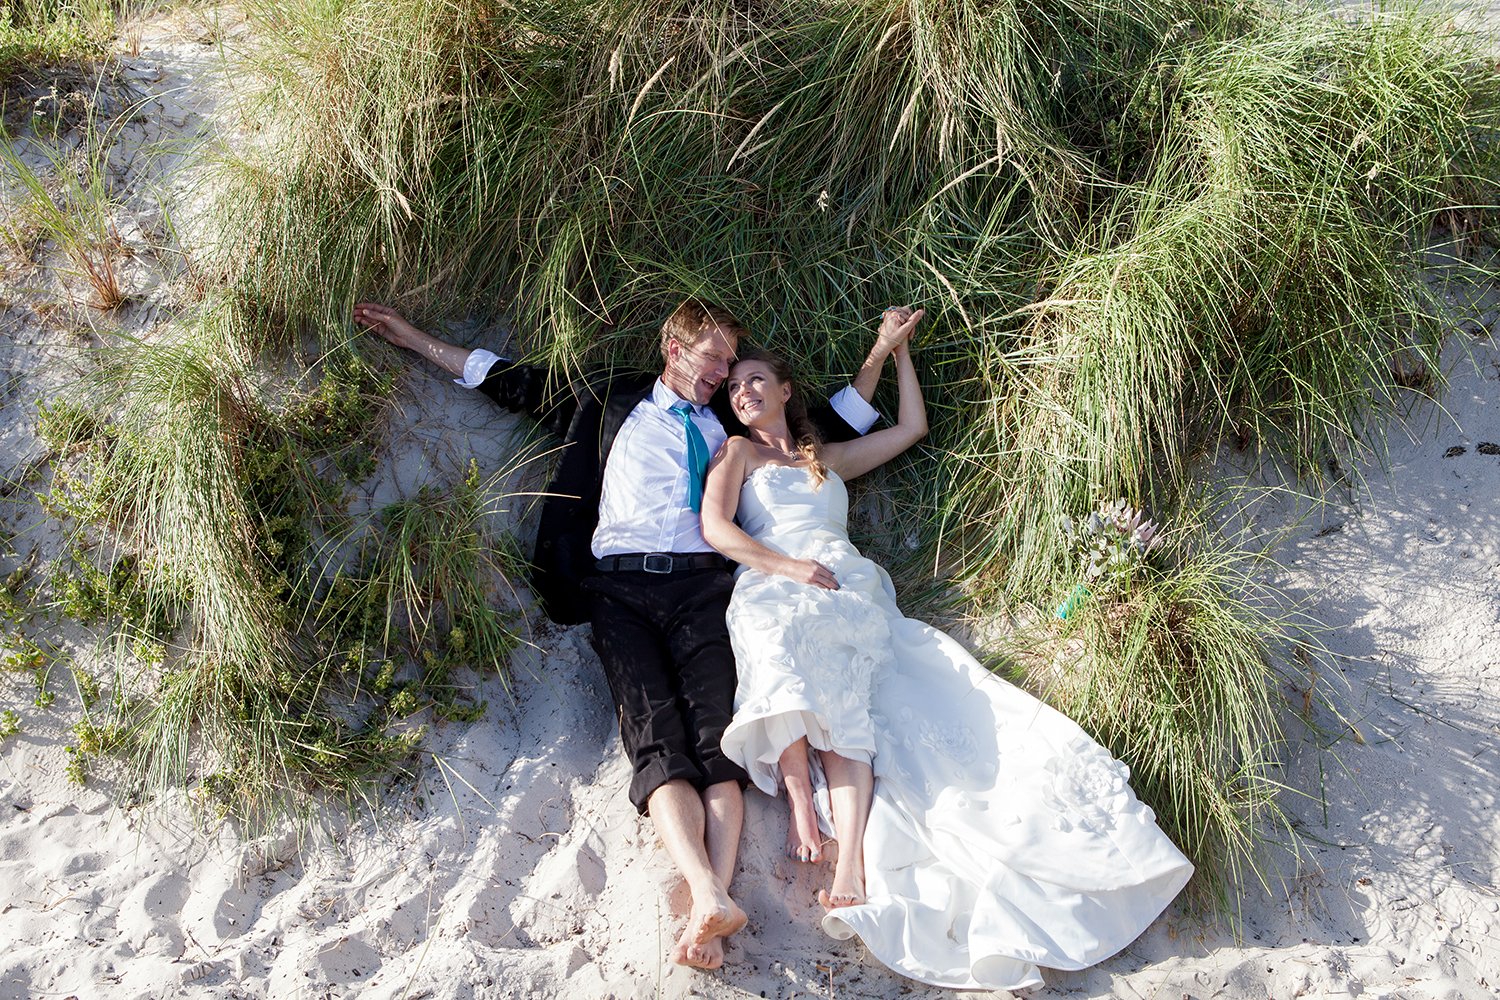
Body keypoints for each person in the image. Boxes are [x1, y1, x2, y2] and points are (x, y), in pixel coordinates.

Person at [351, 297, 913, 971]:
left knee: (716, 742)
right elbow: (509, 380)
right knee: (653, 737)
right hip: (616, 587)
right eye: (716, 360)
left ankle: (717, 897)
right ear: (675, 349)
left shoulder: (734, 429)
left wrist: (881, 352)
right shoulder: (611, 401)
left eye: (734, 365)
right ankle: (705, 890)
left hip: (707, 588)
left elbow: (827, 428)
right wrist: (413, 335)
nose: (724, 375)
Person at [700, 309, 1196, 991]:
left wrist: (897, 354)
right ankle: (799, 804)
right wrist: (783, 568)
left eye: (757, 381)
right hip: (771, 577)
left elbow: (911, 430)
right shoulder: (738, 454)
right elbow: (716, 528)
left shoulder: (827, 460)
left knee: (850, 698)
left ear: (787, 391)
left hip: (845, 581)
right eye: (735, 389)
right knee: (775, 638)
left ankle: (850, 866)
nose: (744, 392)